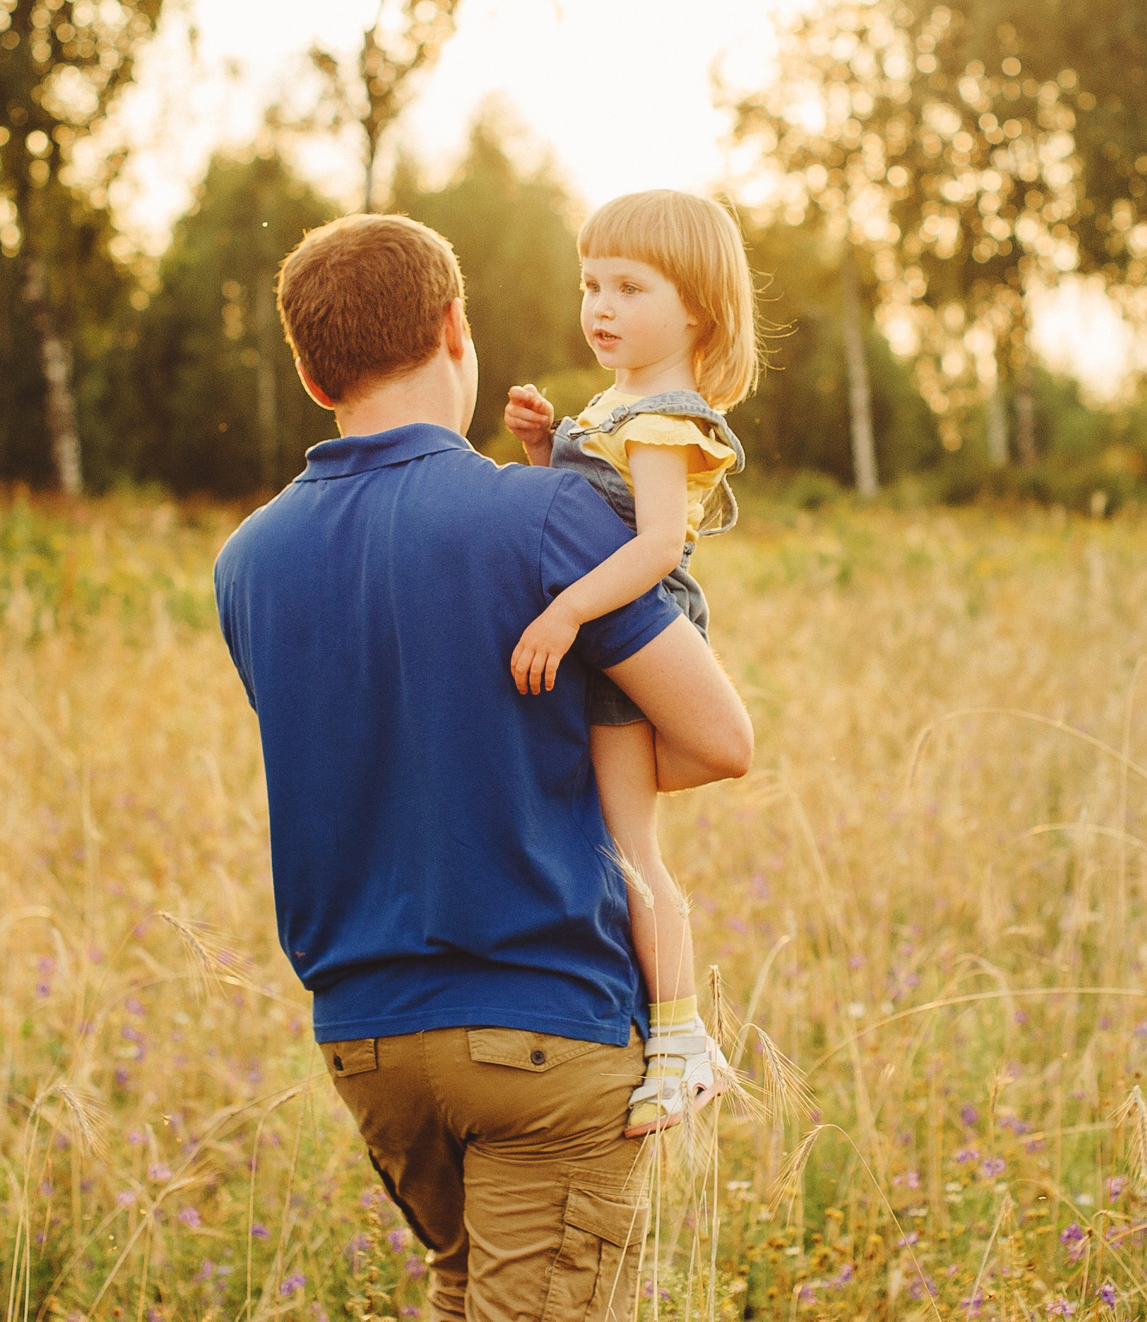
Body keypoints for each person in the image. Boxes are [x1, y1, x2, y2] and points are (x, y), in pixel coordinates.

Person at [211, 213, 753, 1322]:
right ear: (455, 328)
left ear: (314, 378)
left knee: (463, 1294)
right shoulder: (550, 514)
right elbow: (718, 740)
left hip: (366, 1044)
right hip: (540, 1025)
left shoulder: (246, 561)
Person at [500, 190, 755, 1136]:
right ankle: (670, 1035)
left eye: (629, 288)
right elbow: (575, 522)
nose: (599, 307)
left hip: (632, 627)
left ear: (695, 308)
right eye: (590, 285)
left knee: (631, 849)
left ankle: (685, 1047)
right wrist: (542, 449)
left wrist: (566, 614)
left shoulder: (662, 418)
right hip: (613, 627)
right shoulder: (619, 407)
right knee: (616, 834)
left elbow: (649, 548)